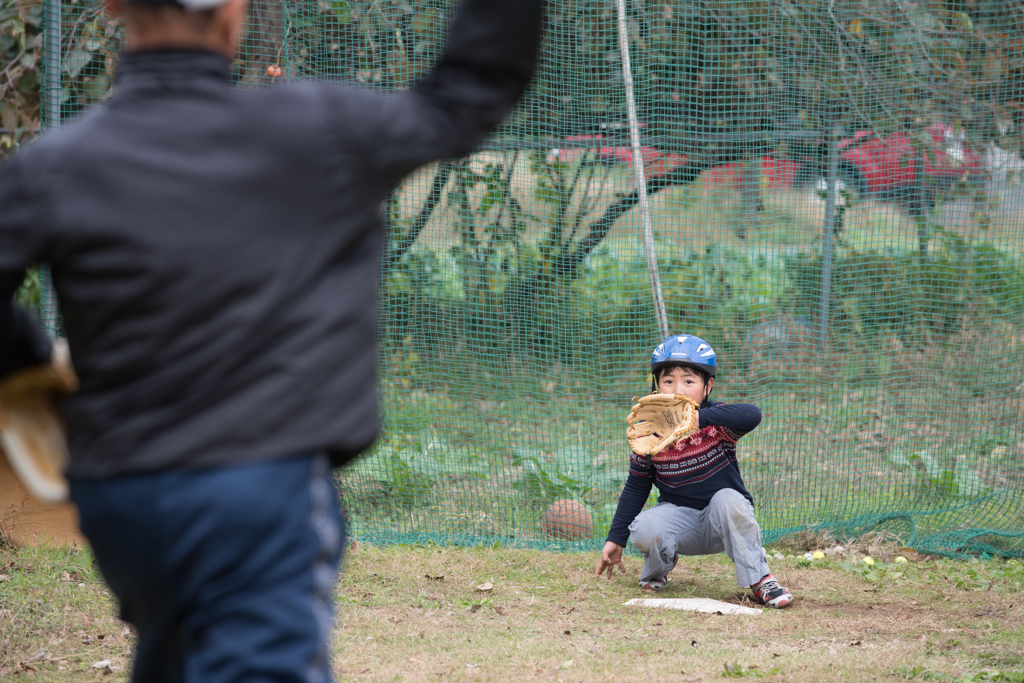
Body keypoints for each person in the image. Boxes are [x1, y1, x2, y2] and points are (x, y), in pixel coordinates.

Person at [0, 0, 543, 679]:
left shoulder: (54, 164)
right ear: (234, 9)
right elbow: (467, 94)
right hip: (255, 497)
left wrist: (28, 362)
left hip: (121, 501)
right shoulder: (321, 130)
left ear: (114, 6)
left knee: (177, 653)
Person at [594, 334, 794, 609]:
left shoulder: (716, 421)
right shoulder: (650, 432)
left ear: (707, 386)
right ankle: (657, 572)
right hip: (681, 524)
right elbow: (637, 486)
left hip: (724, 524)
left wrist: (697, 418)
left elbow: (752, 414)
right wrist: (615, 539)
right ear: (656, 386)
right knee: (644, 526)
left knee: (728, 498)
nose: (678, 389)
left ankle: (761, 580)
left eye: (689, 381)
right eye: (668, 381)